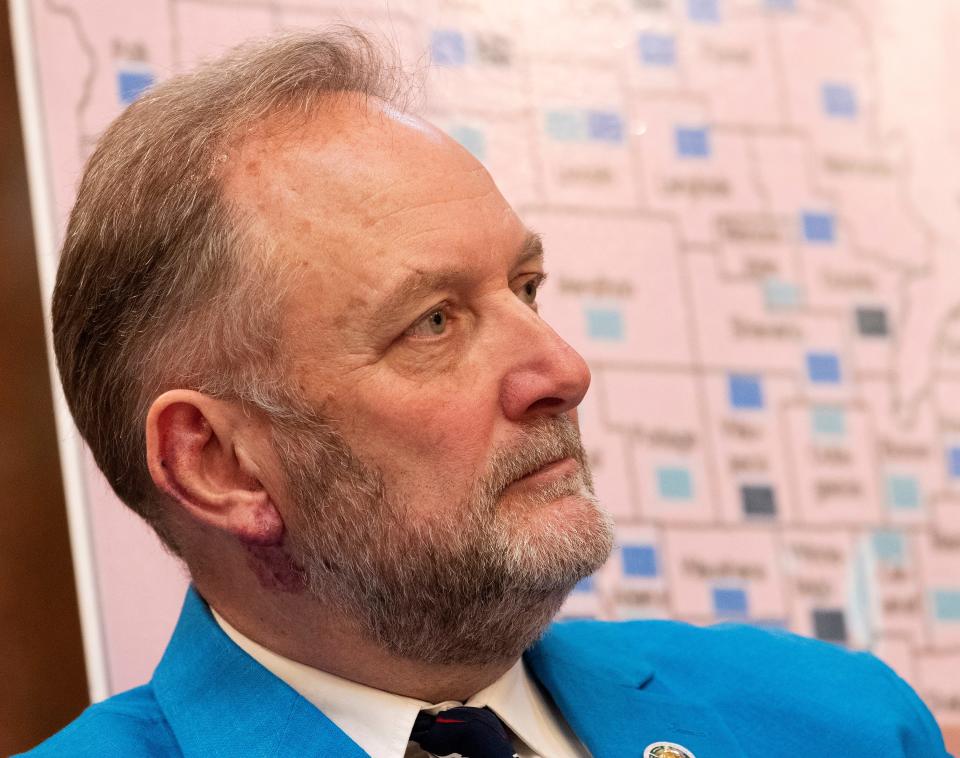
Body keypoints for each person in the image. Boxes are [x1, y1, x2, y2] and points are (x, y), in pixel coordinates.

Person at [23, 29, 948, 758]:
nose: (563, 372)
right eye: (433, 323)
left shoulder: (847, 723)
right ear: (219, 464)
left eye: (528, 287)